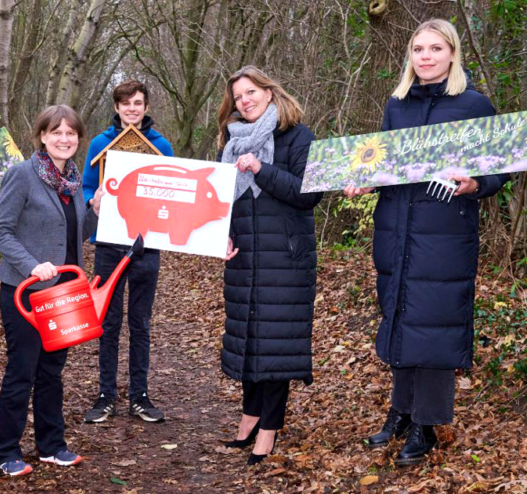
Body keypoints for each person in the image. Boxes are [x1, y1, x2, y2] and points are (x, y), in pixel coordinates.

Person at [345, 19, 509, 466]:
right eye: (418, 49)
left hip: (445, 232)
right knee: (400, 316)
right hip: (396, 228)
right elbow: (384, 164)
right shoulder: (396, 105)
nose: (426, 57)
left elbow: (502, 169)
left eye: (435, 49)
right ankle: (400, 410)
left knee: (434, 327)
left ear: (452, 54)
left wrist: (477, 183)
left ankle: (427, 423)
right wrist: (363, 182)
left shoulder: (474, 105)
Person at [215, 66, 323, 466]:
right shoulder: (229, 142)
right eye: (238, 96)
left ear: (269, 92)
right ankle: (249, 417)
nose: (245, 100)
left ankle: (269, 429)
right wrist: (221, 235)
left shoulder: (298, 136)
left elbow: (308, 193)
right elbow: (219, 200)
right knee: (248, 339)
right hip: (245, 256)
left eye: (252, 92)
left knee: (277, 345)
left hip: (287, 259)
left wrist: (262, 169)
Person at [0, 105, 102, 476]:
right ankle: (6, 450)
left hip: (66, 294)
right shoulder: (22, 175)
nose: (64, 139)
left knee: (52, 372)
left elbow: (75, 237)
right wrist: (31, 265)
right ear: (42, 136)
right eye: (57, 132)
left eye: (71, 133)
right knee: (22, 371)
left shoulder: (74, 181)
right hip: (26, 292)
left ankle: (52, 445)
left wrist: (95, 211)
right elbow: (1, 231)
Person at [81, 80, 175, 424]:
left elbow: (174, 188)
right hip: (107, 245)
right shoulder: (99, 143)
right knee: (108, 323)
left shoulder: (162, 145)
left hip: (145, 246)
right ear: (117, 107)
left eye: (137, 103)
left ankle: (140, 396)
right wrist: (93, 201)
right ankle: (106, 395)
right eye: (125, 103)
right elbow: (87, 187)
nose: (132, 109)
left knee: (140, 323)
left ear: (146, 106)